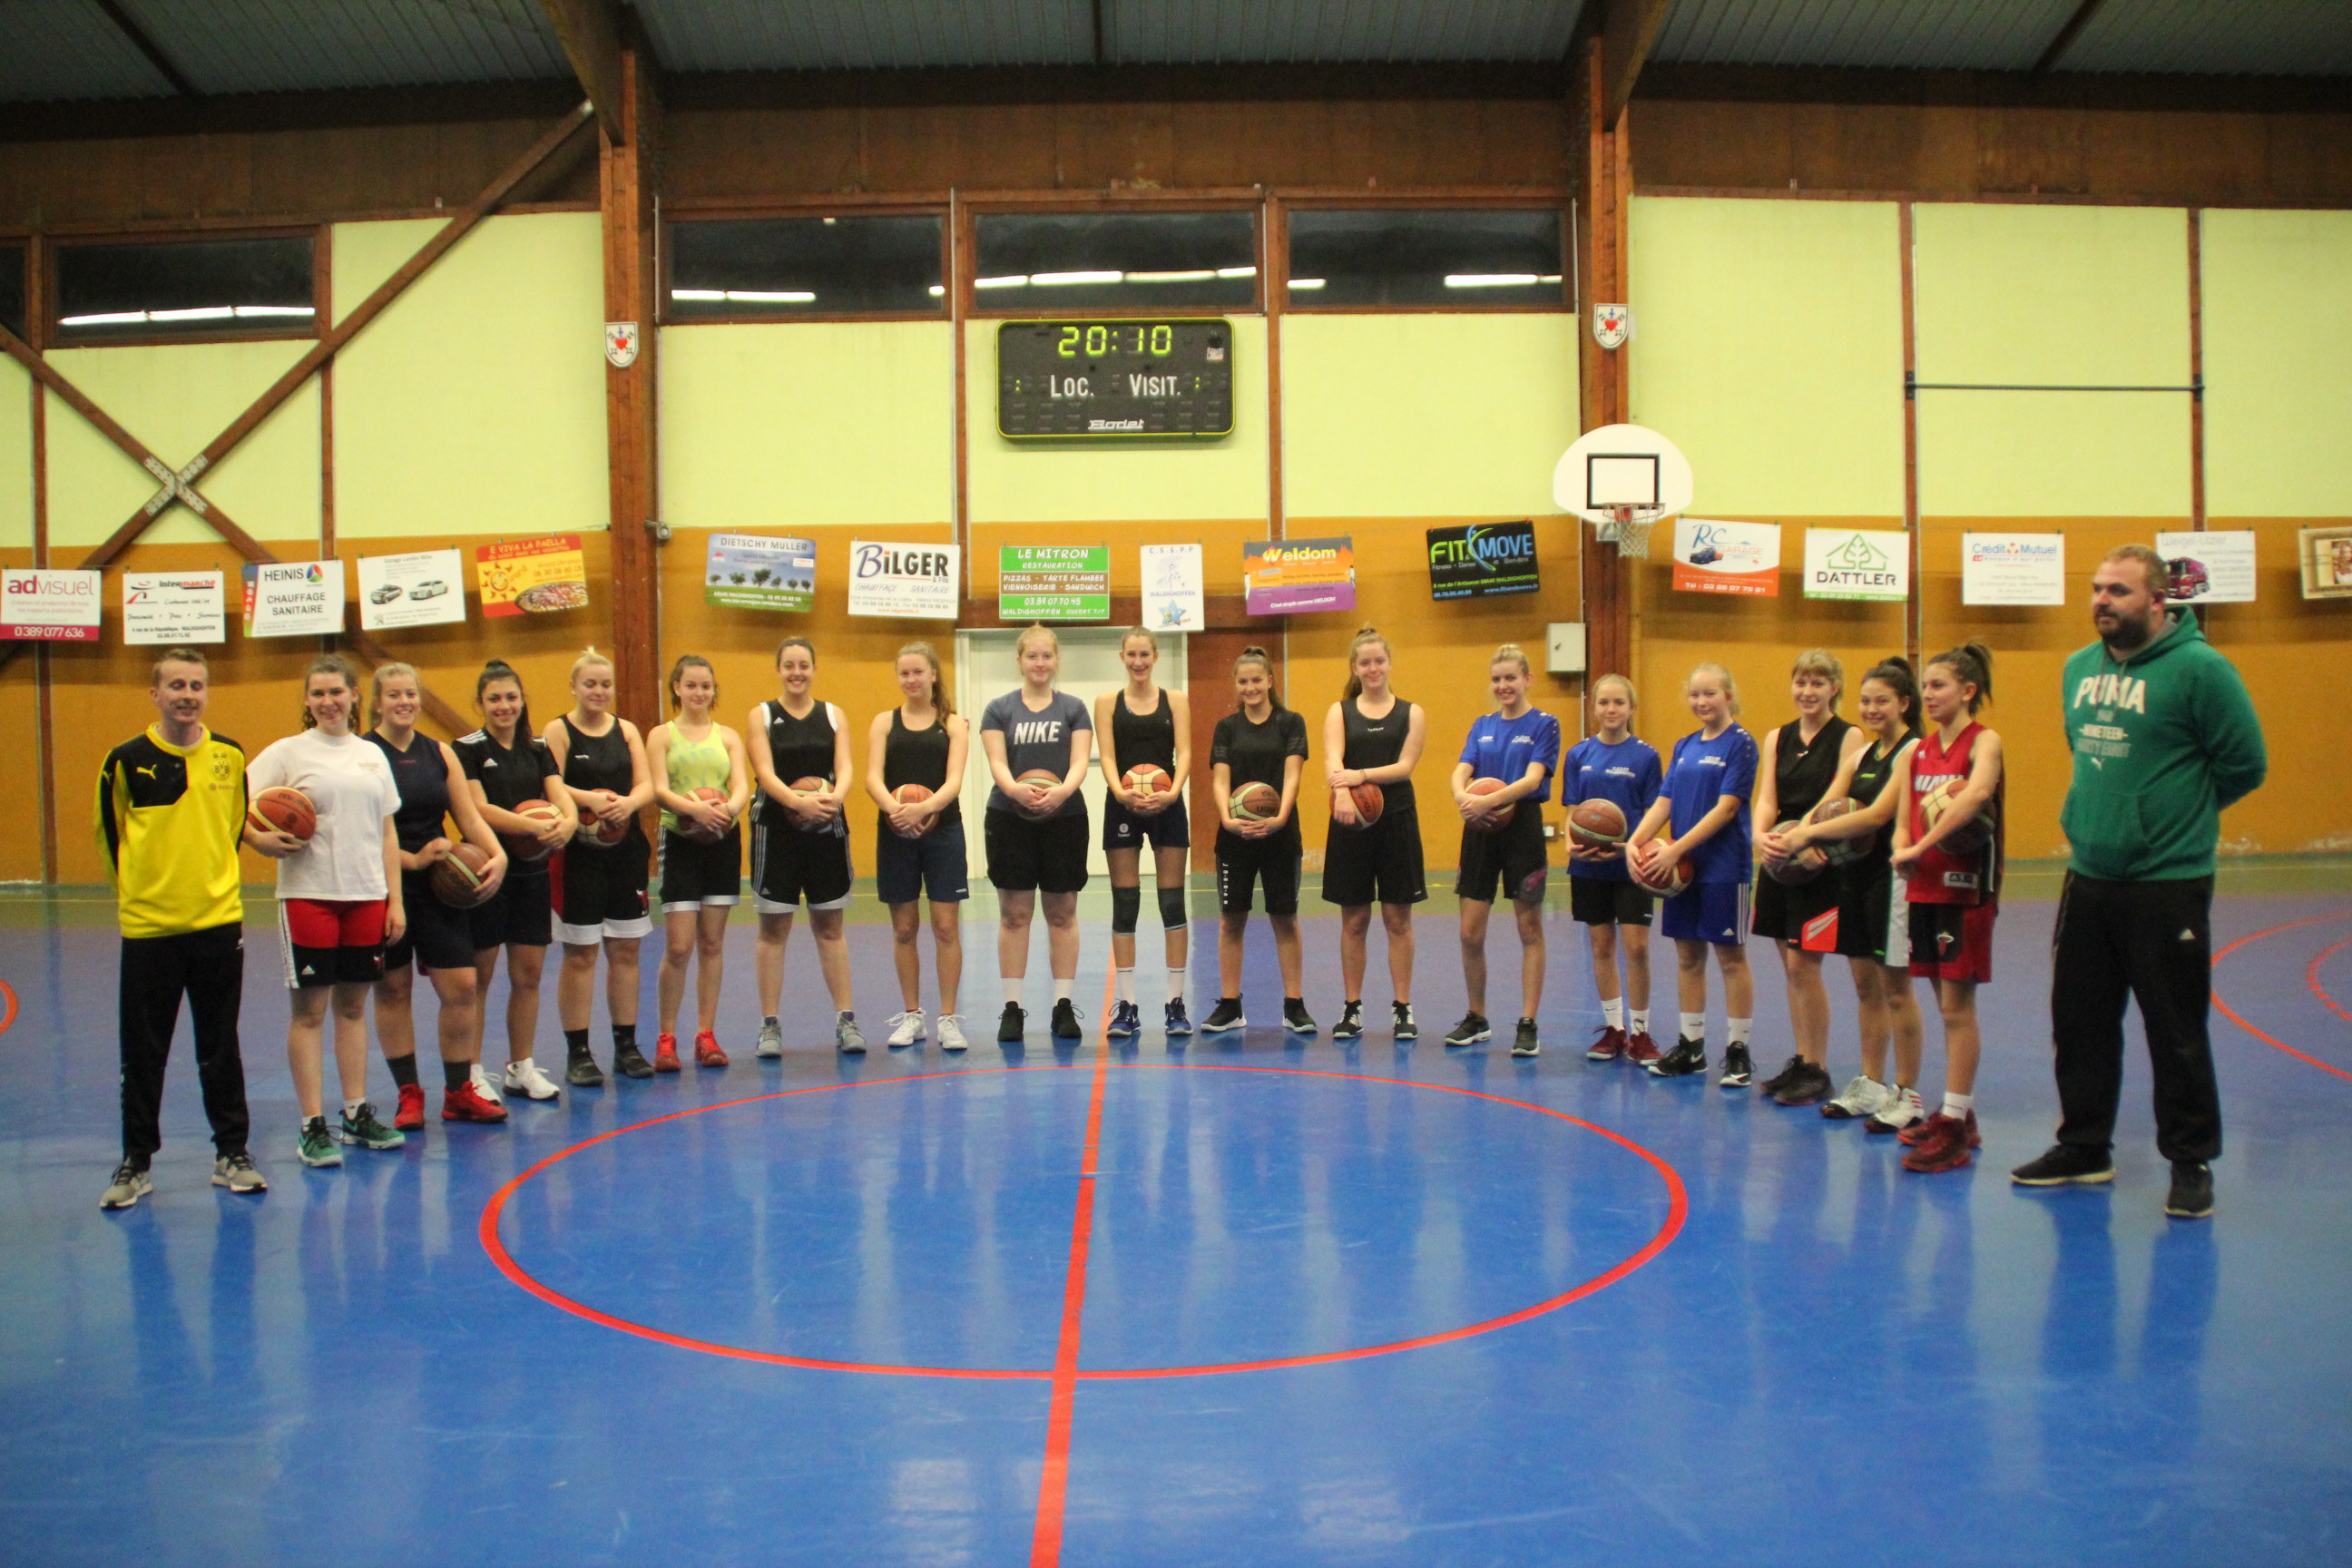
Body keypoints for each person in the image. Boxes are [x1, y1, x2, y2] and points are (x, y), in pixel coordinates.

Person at [2013, 545, 2266, 1218]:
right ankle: (2085, 1147)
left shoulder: (2201, 670)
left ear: (2158, 601)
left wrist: (2169, 819)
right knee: (2081, 1021)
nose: (2102, 601)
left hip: (2168, 882)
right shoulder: (2077, 669)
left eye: (2119, 591)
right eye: (2097, 589)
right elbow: (2083, 748)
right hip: (2090, 875)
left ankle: (2190, 1161)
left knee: (2174, 1029)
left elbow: (2245, 763)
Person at [95, 648, 267, 1208]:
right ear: (155, 694)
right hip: (150, 930)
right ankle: (136, 1162)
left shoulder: (230, 756)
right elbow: (109, 838)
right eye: (175, 685)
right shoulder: (124, 760)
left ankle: (232, 1154)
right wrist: (143, 899)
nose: (187, 695)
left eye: (196, 685)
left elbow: (234, 826)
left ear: (207, 693)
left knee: (221, 1045)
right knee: (143, 1051)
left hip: (218, 924)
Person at [246, 653, 407, 1167]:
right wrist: (259, 839)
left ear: (355, 695)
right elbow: (233, 802)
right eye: (317, 693)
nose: (328, 701)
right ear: (307, 701)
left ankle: (356, 1113)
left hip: (366, 895)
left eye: (336, 691)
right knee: (311, 1012)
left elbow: (386, 832)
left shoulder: (371, 756)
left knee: (354, 1008)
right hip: (309, 894)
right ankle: (312, 1124)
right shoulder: (287, 752)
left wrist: (393, 898)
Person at [1772, 657, 1926, 1127]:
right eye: (1865, 701)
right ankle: (1871, 1082)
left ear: (1903, 703)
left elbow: (1878, 815)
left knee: (1896, 989)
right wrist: (1795, 830)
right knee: (1865, 986)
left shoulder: (1912, 750)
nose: (1871, 708)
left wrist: (1805, 837)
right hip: (1853, 879)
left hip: (1892, 880)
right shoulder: (1861, 755)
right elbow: (1827, 804)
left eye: (1882, 701)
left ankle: (1907, 1094)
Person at [365, 663, 510, 1130]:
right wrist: (412, 860)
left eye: (411, 693)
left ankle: (457, 1091)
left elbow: (468, 817)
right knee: (393, 988)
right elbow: (360, 832)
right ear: (377, 702)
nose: (404, 701)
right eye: (394, 695)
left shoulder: (439, 754)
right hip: (383, 885)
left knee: (462, 987)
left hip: (438, 888)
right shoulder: (364, 754)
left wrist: (498, 854)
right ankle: (409, 1095)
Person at [1886, 643, 2004, 1175]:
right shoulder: (1916, 752)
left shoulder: (1986, 742)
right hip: (1923, 887)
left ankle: (1954, 1126)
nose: (1928, 695)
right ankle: (1959, 1112)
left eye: (1939, 686)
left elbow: (1977, 795)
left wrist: (1922, 843)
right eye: (1925, 687)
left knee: (1958, 1009)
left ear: (1968, 691)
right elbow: (1903, 817)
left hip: (1966, 888)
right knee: (1941, 1002)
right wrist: (1903, 849)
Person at [1627, 663, 1759, 1084]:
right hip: (1682, 872)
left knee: (1730, 957)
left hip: (1723, 865)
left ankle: (1737, 1050)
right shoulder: (1684, 746)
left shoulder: (1741, 744)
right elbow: (1664, 802)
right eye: (1695, 695)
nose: (1702, 702)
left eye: (1710, 694)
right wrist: (1636, 841)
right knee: (1687, 957)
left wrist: (1676, 850)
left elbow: (1727, 808)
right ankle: (1691, 1045)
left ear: (1729, 695)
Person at [1749, 651, 1867, 1106]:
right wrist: (1763, 838)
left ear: (1835, 687)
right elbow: (1766, 797)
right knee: (1788, 966)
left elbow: (1840, 794)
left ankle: (1817, 1068)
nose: (1808, 692)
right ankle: (1802, 1058)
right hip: (1780, 859)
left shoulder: (1849, 735)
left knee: (1805, 965)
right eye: (1801, 683)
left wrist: (1802, 835)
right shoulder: (1776, 737)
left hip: (1818, 858)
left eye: (1818, 683)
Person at [456, 661, 576, 1102]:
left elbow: (557, 792)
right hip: (487, 872)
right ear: (481, 704)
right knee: (479, 979)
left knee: (528, 976)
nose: (504, 706)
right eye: (494, 699)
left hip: (532, 874)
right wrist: (533, 826)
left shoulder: (539, 747)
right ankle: (471, 1071)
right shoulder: (466, 748)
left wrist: (568, 820)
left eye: (511, 697)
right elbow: (476, 808)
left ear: (522, 700)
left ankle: (520, 1067)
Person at [1446, 644, 1563, 1057]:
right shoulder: (1482, 725)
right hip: (1479, 828)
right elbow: (1461, 771)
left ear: (1527, 679)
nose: (1503, 685)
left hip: (1523, 829)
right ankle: (1476, 1016)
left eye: (1511, 677)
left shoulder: (1545, 724)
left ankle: (1528, 1022)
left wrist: (1489, 800)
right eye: (1497, 679)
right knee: (1469, 931)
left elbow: (1533, 780)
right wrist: (1465, 798)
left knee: (1529, 928)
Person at [979, 624, 1094, 1044]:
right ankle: (1012, 1009)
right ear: (1020, 661)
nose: (1040, 663)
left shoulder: (1074, 708)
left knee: (1062, 912)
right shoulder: (999, 709)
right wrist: (1015, 791)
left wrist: (1061, 792)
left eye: (1047, 656)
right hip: (1010, 817)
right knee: (1015, 914)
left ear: (1056, 660)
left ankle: (1063, 1006)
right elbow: (996, 762)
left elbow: (1080, 761)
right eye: (1032, 656)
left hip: (1064, 817)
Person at [545, 648, 655, 1085]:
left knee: (626, 951)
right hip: (578, 856)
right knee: (581, 954)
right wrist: (589, 799)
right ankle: (578, 1052)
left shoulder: (627, 730)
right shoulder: (558, 730)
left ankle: (626, 1047)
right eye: (589, 683)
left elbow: (647, 784)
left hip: (625, 852)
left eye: (605, 684)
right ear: (574, 687)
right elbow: (549, 782)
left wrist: (627, 803)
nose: (598, 691)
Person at [747, 637, 860, 1054]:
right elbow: (763, 771)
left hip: (826, 829)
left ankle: (846, 1020)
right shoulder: (761, 715)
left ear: (814, 669)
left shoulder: (832, 714)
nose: (797, 672)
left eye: (804, 665)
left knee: (830, 927)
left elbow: (845, 765)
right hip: (776, 830)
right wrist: (798, 803)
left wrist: (833, 798)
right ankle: (770, 1026)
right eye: (789, 665)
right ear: (778, 669)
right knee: (773, 929)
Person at [1320, 626, 1427, 1042]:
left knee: (1398, 919)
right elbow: (1333, 756)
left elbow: (1404, 768)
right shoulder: (1341, 711)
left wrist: (1359, 776)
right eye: (1365, 662)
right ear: (1355, 667)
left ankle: (1403, 1008)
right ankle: (1352, 1008)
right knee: (1355, 920)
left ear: (1389, 664)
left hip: (1397, 820)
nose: (1373, 668)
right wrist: (1342, 793)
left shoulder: (1411, 713)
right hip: (1351, 823)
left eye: (1379, 660)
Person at [864, 642, 972, 1051]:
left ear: (933, 675)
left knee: (946, 927)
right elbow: (873, 777)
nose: (911, 680)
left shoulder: (953, 724)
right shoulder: (883, 723)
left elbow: (954, 780)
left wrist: (923, 809)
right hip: (895, 832)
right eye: (904, 673)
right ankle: (912, 1016)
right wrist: (897, 811)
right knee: (904, 928)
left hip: (943, 833)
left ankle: (948, 1018)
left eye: (917, 672)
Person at [649, 653, 751, 1071]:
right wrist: (695, 811)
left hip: (722, 839)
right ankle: (666, 1037)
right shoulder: (661, 735)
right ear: (677, 688)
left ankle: (705, 1035)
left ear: (713, 689)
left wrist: (726, 811)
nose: (699, 692)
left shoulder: (727, 736)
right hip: (681, 838)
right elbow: (658, 790)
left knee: (712, 943)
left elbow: (742, 786)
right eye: (691, 685)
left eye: (705, 686)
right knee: (678, 946)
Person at [1206, 646, 1314, 1035]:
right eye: (1243, 682)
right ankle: (1231, 1006)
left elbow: (1292, 775)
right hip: (1235, 837)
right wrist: (1228, 819)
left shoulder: (1291, 723)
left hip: (1280, 834)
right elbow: (1220, 778)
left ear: (1270, 681)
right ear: (1236, 686)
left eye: (1256, 680)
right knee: (1231, 919)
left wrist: (1281, 816)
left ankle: (1294, 1005)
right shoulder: (1227, 728)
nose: (1250, 687)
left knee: (1284, 917)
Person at [1094, 628, 1194, 1040]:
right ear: (1122, 657)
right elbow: (1107, 754)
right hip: (1123, 805)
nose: (1138, 662)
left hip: (1167, 804)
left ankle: (1175, 1004)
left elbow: (1185, 752)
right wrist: (1122, 793)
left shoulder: (1177, 700)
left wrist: (1172, 792)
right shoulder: (1106, 703)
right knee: (1126, 904)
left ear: (1155, 657)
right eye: (1131, 655)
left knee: (1172, 903)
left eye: (1144, 655)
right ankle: (1128, 1005)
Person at [1563, 673, 1662, 1066]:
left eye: (1618, 703)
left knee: (1636, 948)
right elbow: (1574, 808)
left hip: (1632, 864)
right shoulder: (1579, 755)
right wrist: (1573, 841)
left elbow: (1656, 812)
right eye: (1604, 703)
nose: (1610, 710)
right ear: (1594, 709)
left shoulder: (1646, 756)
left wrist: (1633, 846)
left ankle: (1640, 1033)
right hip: (1587, 866)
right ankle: (1614, 1029)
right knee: (1601, 947)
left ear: (1631, 709)